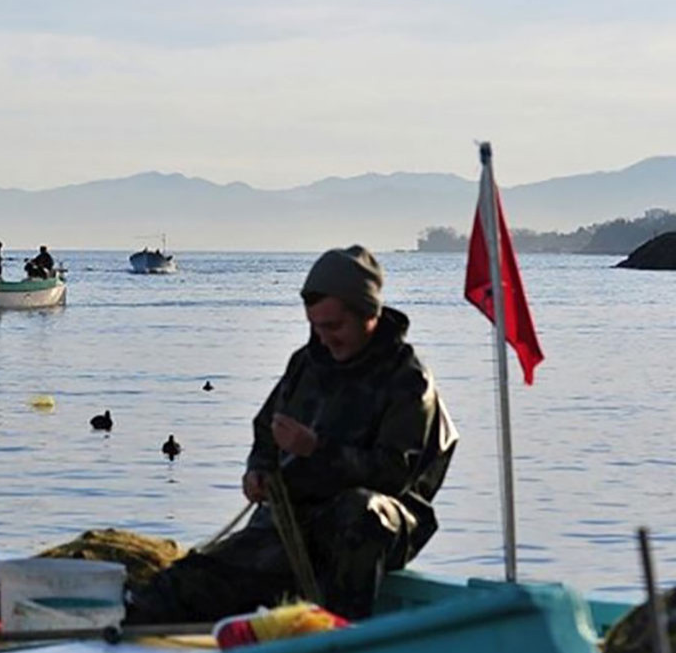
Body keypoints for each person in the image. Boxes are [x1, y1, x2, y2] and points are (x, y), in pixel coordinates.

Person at [127, 245, 458, 623]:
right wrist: (258, 472)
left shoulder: (408, 380)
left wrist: (317, 450)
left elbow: (394, 474)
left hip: (381, 523)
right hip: (298, 519)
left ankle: (343, 637)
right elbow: (267, 430)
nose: (325, 338)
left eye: (334, 327)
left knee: (360, 511)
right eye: (315, 326)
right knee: (183, 584)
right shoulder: (307, 363)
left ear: (369, 314)